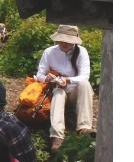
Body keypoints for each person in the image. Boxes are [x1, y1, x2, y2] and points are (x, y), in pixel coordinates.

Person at [35, 24, 96, 152]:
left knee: (85, 84)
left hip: (75, 92)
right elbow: (40, 74)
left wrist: (67, 80)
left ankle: (84, 127)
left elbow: (84, 76)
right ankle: (57, 135)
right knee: (58, 92)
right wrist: (48, 78)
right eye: (61, 40)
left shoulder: (81, 52)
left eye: (67, 41)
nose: (64, 43)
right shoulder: (50, 52)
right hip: (58, 90)